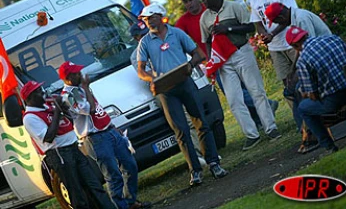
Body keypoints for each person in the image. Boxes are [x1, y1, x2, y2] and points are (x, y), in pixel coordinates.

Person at [137, 3, 228, 186]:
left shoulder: (177, 33)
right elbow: (141, 69)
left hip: (185, 84)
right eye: (145, 19)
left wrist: (190, 66)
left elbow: (198, 53)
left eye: (150, 17)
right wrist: (151, 78)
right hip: (166, 91)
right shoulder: (144, 42)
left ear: (160, 16)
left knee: (201, 123)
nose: (147, 21)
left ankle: (214, 163)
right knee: (181, 131)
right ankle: (195, 171)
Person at [176, 0, 278, 131]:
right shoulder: (184, 21)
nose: (189, 4)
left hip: (237, 52)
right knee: (232, 94)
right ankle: (262, 113)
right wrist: (206, 58)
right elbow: (186, 40)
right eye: (185, 1)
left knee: (248, 88)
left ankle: (262, 120)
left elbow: (248, 26)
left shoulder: (213, 8)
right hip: (217, 59)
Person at [198, 0, 280, 151]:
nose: (202, 1)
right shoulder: (204, 18)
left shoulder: (234, 6)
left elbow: (250, 27)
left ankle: (270, 128)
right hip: (223, 60)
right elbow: (206, 42)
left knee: (256, 91)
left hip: (241, 51)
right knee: (234, 99)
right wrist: (211, 60)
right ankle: (251, 134)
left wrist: (227, 28)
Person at [59, 62, 151, 209]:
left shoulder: (81, 89)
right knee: (113, 175)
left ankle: (130, 200)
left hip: (109, 131)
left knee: (130, 165)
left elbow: (99, 109)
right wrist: (86, 88)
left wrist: (112, 126)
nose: (81, 75)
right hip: (95, 138)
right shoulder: (67, 96)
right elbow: (90, 109)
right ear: (69, 77)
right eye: (77, 73)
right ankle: (121, 206)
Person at [21, 81, 115, 209]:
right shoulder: (30, 117)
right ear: (29, 98)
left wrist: (64, 109)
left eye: (42, 89)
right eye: (38, 91)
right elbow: (48, 137)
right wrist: (56, 112)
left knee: (94, 185)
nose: (43, 93)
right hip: (60, 153)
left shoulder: (47, 106)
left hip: (73, 147)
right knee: (77, 192)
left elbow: (70, 120)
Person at [129, 21, 207, 166]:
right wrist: (160, 76)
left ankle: (204, 153)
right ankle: (196, 156)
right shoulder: (137, 54)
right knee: (184, 123)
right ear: (136, 38)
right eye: (142, 34)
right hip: (163, 90)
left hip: (179, 82)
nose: (147, 34)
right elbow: (145, 73)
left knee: (197, 118)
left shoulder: (161, 41)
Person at [265, 2, 332, 153]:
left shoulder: (300, 19)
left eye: (277, 21)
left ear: (282, 16)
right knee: (289, 90)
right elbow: (302, 49)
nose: (277, 25)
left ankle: (311, 135)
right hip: (319, 58)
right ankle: (305, 131)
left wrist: (296, 73)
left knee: (298, 90)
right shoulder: (295, 18)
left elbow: (309, 48)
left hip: (323, 61)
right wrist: (292, 71)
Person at [285, 26, 346, 153]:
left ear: (295, 46)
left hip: (337, 98)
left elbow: (313, 95)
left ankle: (329, 146)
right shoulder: (333, 38)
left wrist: (307, 94)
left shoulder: (303, 60)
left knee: (303, 109)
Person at [244, 0, 298, 86]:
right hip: (275, 48)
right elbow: (258, 22)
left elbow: (289, 16)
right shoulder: (254, 0)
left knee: (303, 72)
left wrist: (272, 34)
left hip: (292, 41)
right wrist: (264, 35)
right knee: (287, 81)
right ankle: (295, 103)